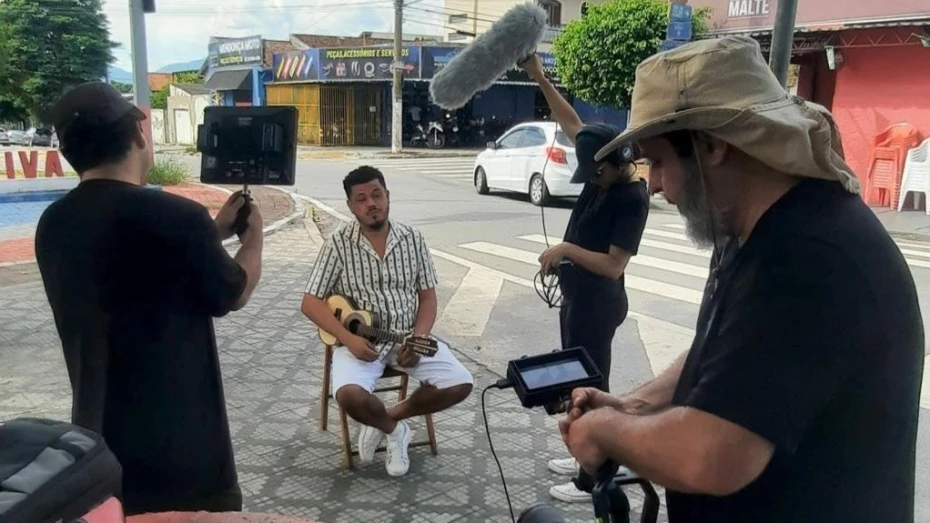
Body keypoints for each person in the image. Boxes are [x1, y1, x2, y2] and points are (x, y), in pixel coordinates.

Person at [559, 36, 924, 522]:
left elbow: (712, 456)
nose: (656, 185)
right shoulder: (750, 227)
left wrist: (604, 431)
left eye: (662, 161)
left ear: (711, 145)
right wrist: (634, 404)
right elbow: (731, 354)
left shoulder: (807, 256)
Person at [35, 82, 264, 516]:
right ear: (140, 134)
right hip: (183, 452)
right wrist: (253, 241)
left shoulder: (54, 225)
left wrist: (210, 232)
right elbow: (234, 292)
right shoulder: (176, 217)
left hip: (96, 445)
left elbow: (128, 265)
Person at [520, 54, 650, 503]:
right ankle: (583, 454)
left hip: (600, 302)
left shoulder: (631, 198)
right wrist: (540, 77)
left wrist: (566, 250)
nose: (591, 178)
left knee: (593, 387)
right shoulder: (601, 162)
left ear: (618, 163)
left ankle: (596, 475)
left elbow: (615, 265)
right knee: (576, 382)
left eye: (597, 173)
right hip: (578, 298)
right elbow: (571, 120)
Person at [301, 166, 474, 477]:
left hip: (407, 337)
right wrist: (348, 337)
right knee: (349, 396)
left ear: (388, 196)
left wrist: (419, 340)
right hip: (358, 341)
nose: (372, 204)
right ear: (352, 206)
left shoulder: (413, 239)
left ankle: (387, 419)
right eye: (362, 199)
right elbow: (310, 302)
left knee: (462, 382)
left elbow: (428, 299)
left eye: (377, 195)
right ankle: (395, 432)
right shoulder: (338, 244)